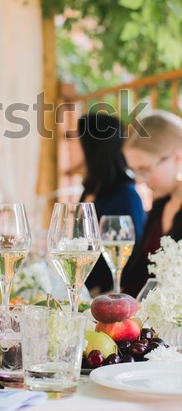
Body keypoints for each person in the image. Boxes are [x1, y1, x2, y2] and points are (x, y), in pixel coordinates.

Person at [76, 112, 146, 295]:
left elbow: (131, 258)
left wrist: (97, 290)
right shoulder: (94, 190)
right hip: (84, 292)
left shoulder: (125, 197)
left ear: (92, 149)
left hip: (108, 295)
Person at [121, 110, 182, 297]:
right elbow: (139, 277)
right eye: (135, 172)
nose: (139, 181)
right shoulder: (160, 206)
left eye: (145, 169)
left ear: (177, 159)